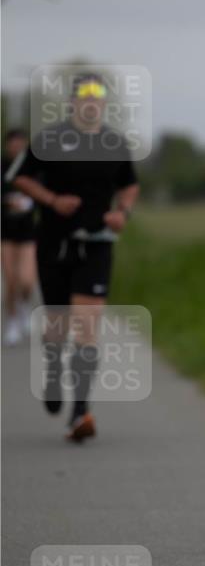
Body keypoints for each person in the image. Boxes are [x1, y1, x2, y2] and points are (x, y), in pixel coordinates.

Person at [7, 73, 140, 442]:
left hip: (97, 244)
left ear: (104, 102)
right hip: (54, 243)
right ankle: (52, 368)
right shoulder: (49, 138)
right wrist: (51, 201)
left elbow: (129, 184)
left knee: (86, 324)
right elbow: (21, 178)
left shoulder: (114, 142)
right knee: (57, 326)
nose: (91, 101)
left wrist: (122, 213)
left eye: (98, 95)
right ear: (72, 102)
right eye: (84, 95)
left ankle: (80, 412)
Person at [2, 129, 37, 345]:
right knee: (11, 280)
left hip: (27, 231)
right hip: (4, 231)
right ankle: (12, 321)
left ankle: (24, 306)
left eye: (20, 143)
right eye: (12, 143)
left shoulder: (34, 169)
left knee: (27, 280)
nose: (16, 147)